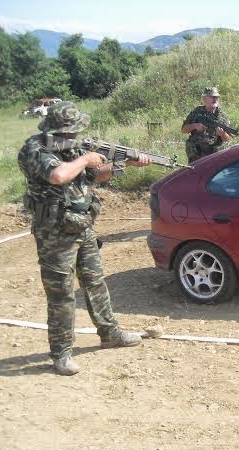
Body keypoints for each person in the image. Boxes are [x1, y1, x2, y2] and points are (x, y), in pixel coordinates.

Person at [17, 101, 151, 376]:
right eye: (73, 131)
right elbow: (58, 175)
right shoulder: (35, 148)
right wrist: (85, 159)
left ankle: (110, 333)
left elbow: (93, 176)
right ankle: (62, 353)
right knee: (62, 293)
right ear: (61, 130)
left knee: (94, 282)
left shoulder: (74, 149)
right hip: (54, 232)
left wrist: (123, 165)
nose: (77, 136)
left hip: (82, 224)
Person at [181, 86, 232, 163]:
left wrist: (222, 134)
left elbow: (227, 139)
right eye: (212, 97)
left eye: (216, 97)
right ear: (204, 99)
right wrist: (195, 126)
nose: (215, 99)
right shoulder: (196, 112)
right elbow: (183, 129)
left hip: (213, 156)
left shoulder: (222, 116)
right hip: (196, 154)